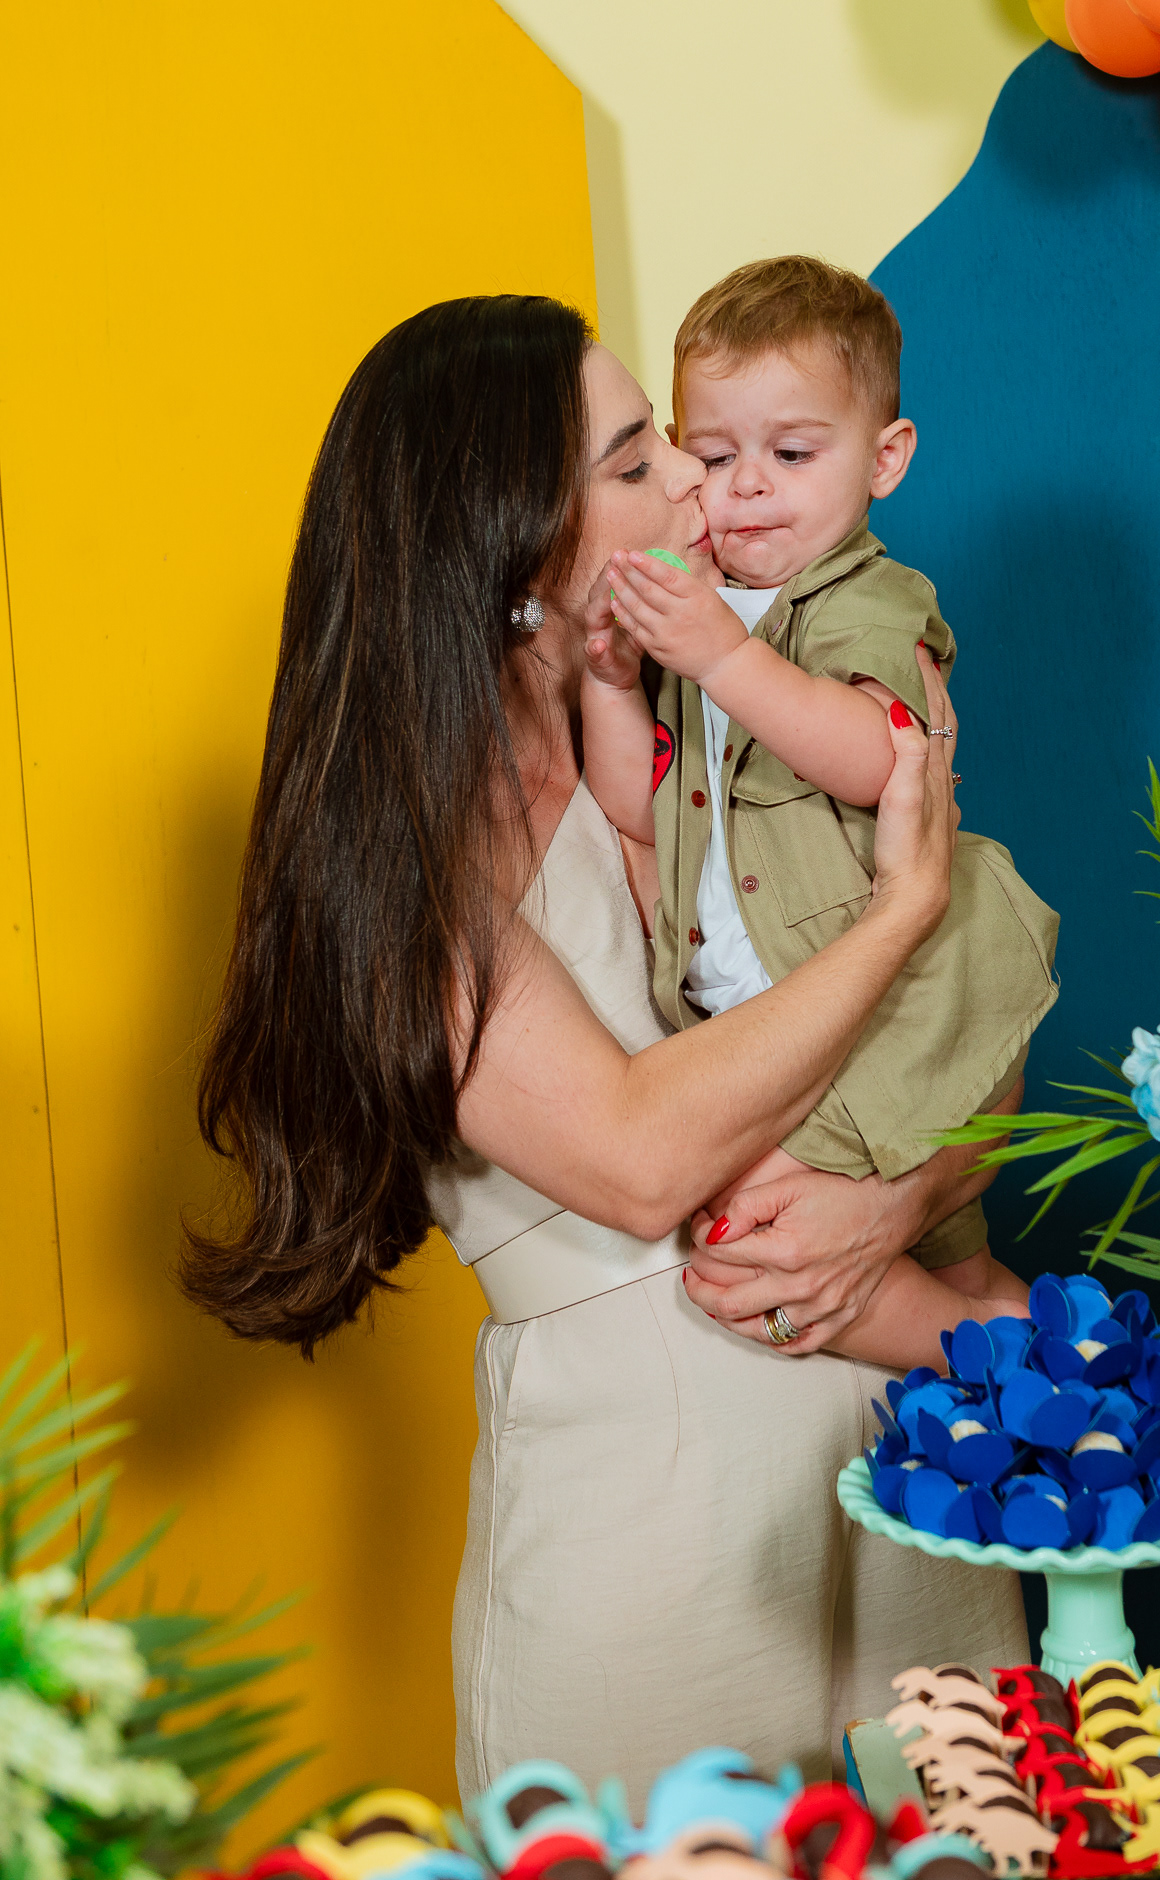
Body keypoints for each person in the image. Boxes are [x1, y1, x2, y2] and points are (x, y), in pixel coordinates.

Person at [183, 295, 1029, 1810]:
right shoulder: (405, 866)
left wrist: (895, 1200)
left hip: (910, 1479)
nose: (697, 480)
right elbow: (639, 1158)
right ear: (513, 534)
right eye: (638, 459)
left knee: (977, 1833)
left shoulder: (712, 724)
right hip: (660, 1534)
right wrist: (900, 910)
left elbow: (971, 1046)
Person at [581, 258, 1057, 1365]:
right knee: (936, 1254)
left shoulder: (868, 599)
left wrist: (721, 655)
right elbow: (641, 812)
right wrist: (610, 684)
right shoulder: (695, 605)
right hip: (763, 1014)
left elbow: (880, 758)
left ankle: (1047, 1370)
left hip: (879, 1007)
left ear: (883, 458)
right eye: (714, 457)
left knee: (761, 1219)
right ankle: (1028, 1373)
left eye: (791, 454)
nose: (747, 486)